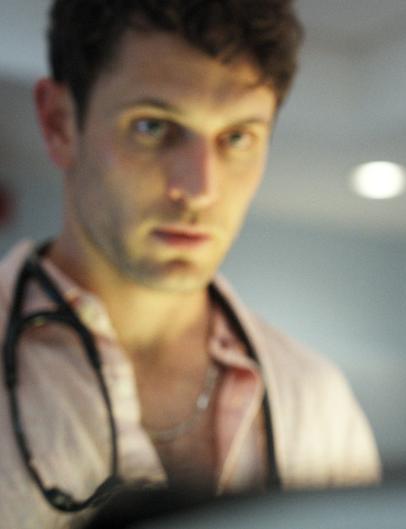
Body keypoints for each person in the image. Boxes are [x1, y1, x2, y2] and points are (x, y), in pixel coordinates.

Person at [0, 0, 380, 526]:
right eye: (152, 127)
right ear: (59, 123)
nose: (201, 188)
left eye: (237, 137)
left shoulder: (316, 402)